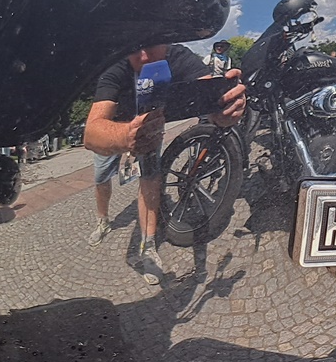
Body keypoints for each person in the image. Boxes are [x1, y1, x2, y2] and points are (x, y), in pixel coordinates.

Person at [84, 44, 246, 284]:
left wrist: (223, 107)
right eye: (136, 46)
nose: (143, 55)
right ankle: (103, 219)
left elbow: (208, 91)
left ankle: (148, 245)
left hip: (149, 127)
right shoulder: (117, 62)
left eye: (152, 44)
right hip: (115, 129)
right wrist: (126, 136)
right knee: (101, 177)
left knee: (150, 178)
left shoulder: (177, 56)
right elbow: (91, 133)